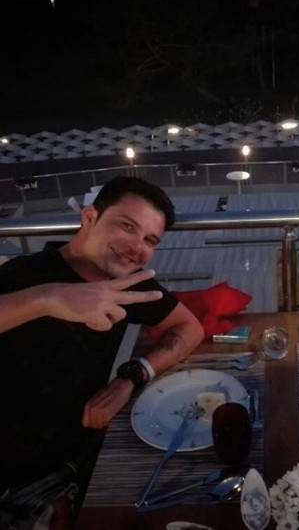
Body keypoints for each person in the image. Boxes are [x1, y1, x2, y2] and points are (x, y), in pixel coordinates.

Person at [0, 176, 204, 528]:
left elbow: (190, 328)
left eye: (150, 240)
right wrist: (47, 298)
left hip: (80, 459)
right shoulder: (24, 276)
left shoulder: (128, 284)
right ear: (90, 216)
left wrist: (133, 376)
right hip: (11, 473)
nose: (137, 248)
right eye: (127, 226)